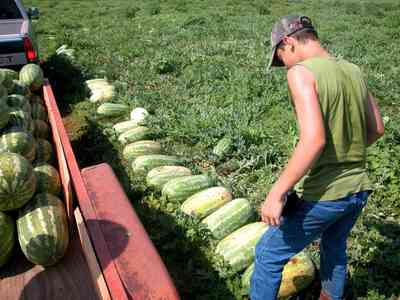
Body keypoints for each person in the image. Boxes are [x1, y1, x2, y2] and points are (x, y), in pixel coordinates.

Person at [250, 15, 385, 300]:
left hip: (327, 194)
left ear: (288, 42)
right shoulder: (353, 70)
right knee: (334, 246)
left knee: (268, 254)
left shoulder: (301, 73)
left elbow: (313, 140)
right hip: (359, 188)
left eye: (280, 57)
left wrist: (276, 193)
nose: (284, 64)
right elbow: (377, 129)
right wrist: (346, 151)